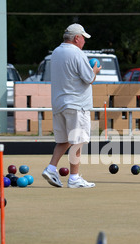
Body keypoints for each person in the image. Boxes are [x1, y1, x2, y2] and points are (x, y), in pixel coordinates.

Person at [42, 24, 101, 188]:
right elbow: (89, 78)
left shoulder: (56, 52)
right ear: (77, 38)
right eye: (83, 38)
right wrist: (94, 70)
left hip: (59, 103)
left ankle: (51, 168)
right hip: (77, 104)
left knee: (64, 140)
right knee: (77, 141)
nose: (84, 41)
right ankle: (74, 177)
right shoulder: (77, 53)